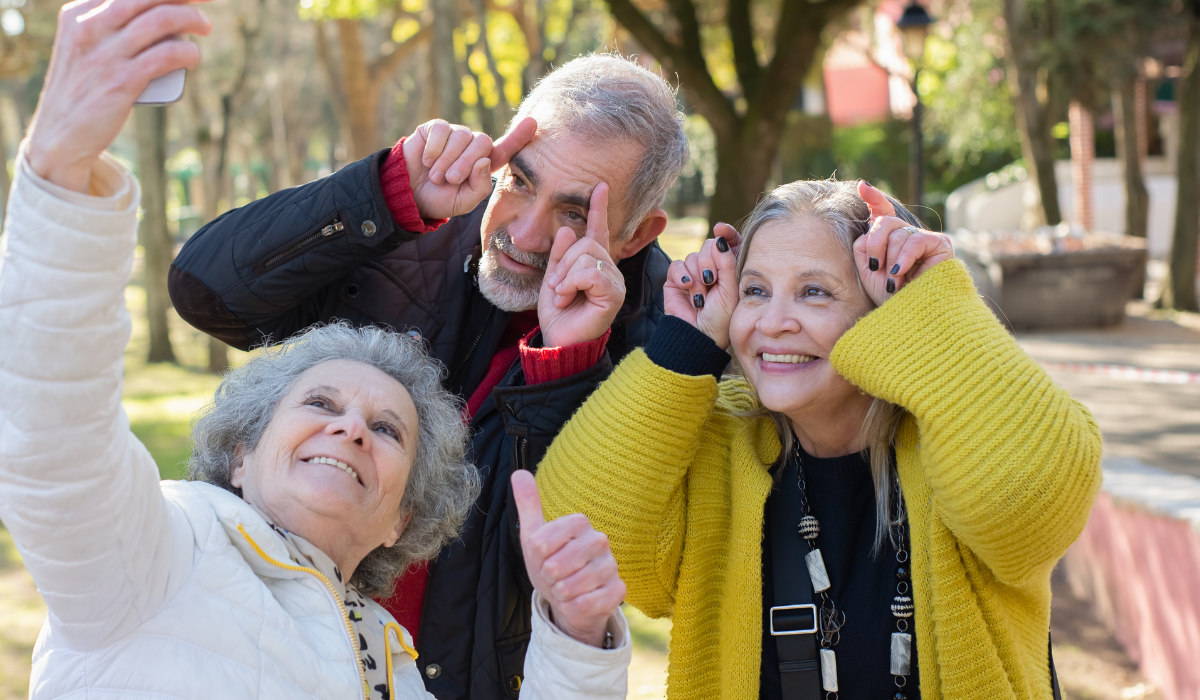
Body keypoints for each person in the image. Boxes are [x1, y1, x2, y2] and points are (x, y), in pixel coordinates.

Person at [0, 1, 631, 697]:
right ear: (240, 455)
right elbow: (49, 433)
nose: (351, 427)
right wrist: (59, 170)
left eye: (388, 429)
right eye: (320, 401)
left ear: (403, 520)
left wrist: (578, 640)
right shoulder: (154, 558)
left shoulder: (387, 666)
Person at [168, 45, 689, 700]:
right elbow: (206, 292)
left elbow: (548, 562)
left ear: (637, 236)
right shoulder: (414, 227)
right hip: (265, 658)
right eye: (520, 181)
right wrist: (387, 191)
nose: (524, 234)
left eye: (574, 213)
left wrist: (564, 364)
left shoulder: (666, 349)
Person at [533, 179, 1104, 700]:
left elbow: (1029, 505)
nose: (773, 321)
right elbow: (580, 527)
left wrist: (936, 305)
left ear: (886, 309)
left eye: (814, 293)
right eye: (755, 291)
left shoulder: (959, 437)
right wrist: (686, 343)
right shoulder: (722, 439)